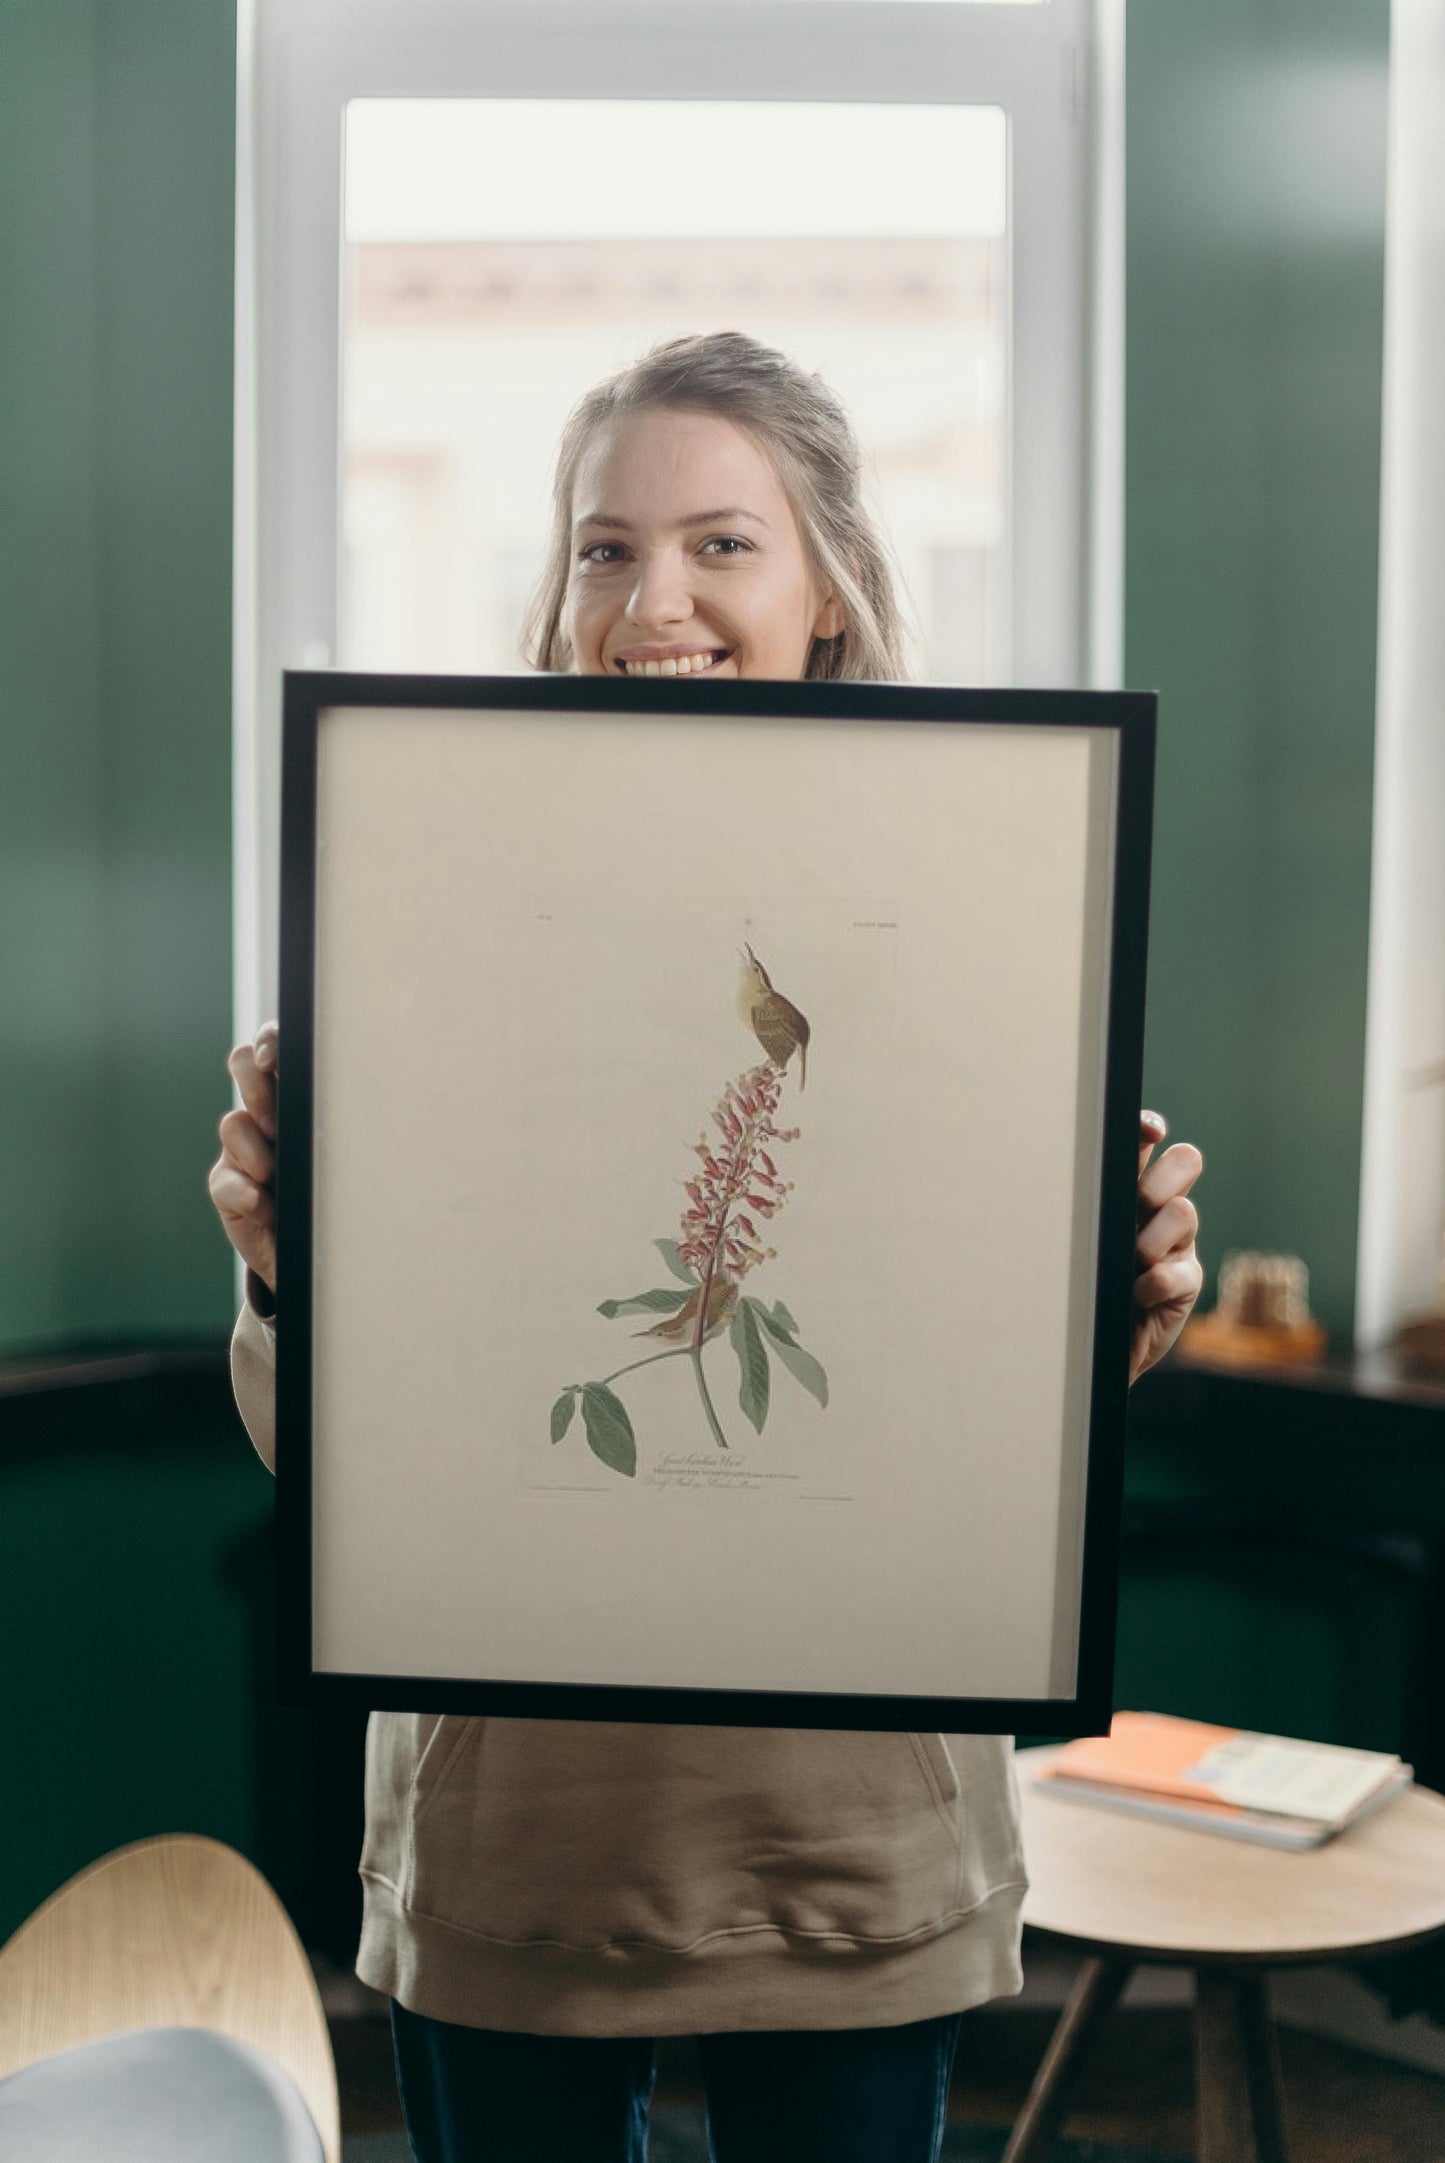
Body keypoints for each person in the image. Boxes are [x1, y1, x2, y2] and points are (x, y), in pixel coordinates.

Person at [209, 332, 1204, 2163]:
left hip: (851, 1837)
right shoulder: (419, 917)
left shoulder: (984, 913)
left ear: (826, 585)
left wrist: (1112, 1306)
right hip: (519, 1833)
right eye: (603, 546)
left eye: (719, 543)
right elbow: (338, 1461)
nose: (649, 597)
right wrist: (285, 1275)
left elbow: (971, 1409)